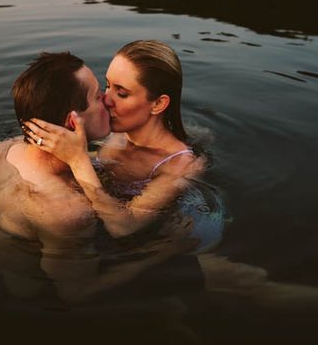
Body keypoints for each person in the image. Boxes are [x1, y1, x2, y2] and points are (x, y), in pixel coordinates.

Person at [0, 51, 195, 306]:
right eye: (100, 96)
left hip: (0, 271)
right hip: (36, 298)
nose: (109, 102)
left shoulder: (4, 150)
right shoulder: (66, 212)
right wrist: (162, 251)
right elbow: (77, 293)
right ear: (73, 121)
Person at [23, 40, 222, 249]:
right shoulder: (118, 134)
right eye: (107, 85)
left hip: (182, 236)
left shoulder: (179, 164)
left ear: (158, 104)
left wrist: (78, 159)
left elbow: (123, 227)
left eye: (122, 93)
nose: (106, 100)